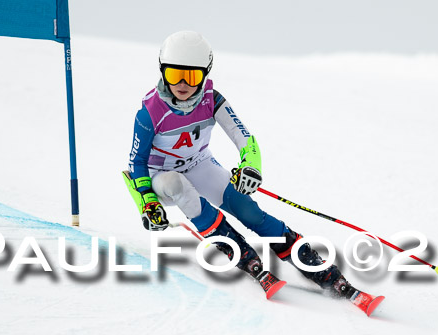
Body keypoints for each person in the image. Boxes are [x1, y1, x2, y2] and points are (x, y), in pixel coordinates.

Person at [124, 30, 359, 300]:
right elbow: (137, 161)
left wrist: (251, 166)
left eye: (192, 76)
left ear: (205, 73)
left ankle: (321, 271)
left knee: (249, 211)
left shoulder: (212, 99)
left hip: (198, 164)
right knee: (179, 186)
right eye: (175, 74)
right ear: (163, 70)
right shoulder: (151, 110)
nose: (183, 84)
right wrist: (148, 202)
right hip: (161, 178)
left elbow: (244, 137)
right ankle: (244, 255)